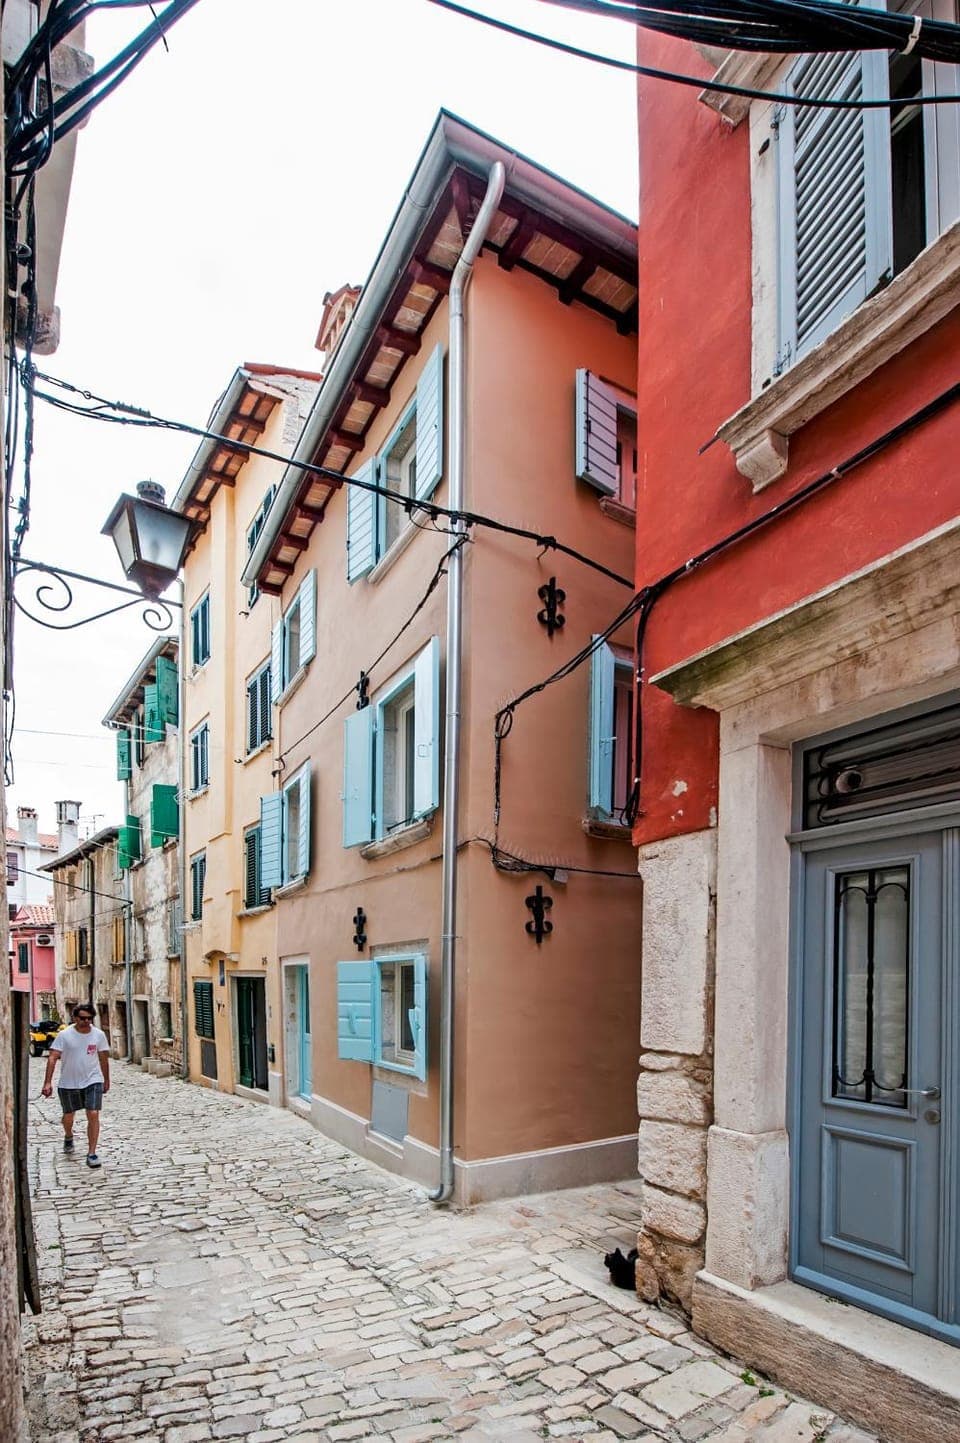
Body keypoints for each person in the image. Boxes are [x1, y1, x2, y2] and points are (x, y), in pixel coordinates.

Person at [41, 1003, 110, 1168]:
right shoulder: (65, 1035)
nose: (86, 1021)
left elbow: (103, 1058)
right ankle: (68, 1135)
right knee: (68, 1116)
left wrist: (106, 1079)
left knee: (93, 1113)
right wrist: (48, 1082)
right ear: (75, 1018)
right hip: (68, 1082)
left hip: (93, 1080)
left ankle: (92, 1153)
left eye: (89, 1018)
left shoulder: (98, 1035)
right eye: (82, 1018)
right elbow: (52, 1058)